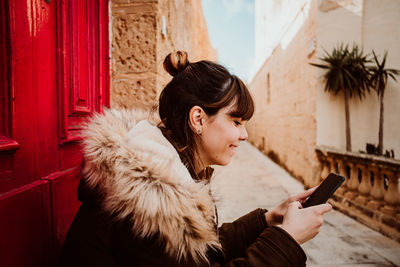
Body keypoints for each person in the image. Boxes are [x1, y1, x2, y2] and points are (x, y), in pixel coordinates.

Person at [59, 51, 332, 266]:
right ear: (198, 118)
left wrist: (267, 220)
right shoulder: (150, 203)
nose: (245, 135)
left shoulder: (164, 166)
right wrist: (286, 241)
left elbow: (196, 251)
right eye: (236, 121)